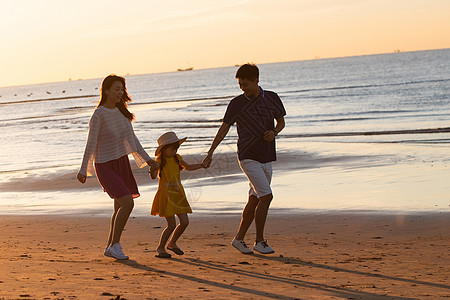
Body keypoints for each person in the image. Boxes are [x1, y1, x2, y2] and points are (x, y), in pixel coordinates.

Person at [202, 63, 286, 255]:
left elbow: (281, 122)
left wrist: (274, 132)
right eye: (240, 84)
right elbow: (223, 128)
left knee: (255, 199)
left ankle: (239, 239)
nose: (242, 88)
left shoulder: (272, 98)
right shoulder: (237, 103)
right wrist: (210, 152)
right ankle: (260, 241)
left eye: (245, 84)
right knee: (267, 196)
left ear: (257, 80)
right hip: (247, 156)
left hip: (267, 155)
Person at [77, 74, 159, 260]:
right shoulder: (99, 115)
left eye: (122, 89)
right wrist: (84, 170)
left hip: (121, 163)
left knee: (118, 208)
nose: (120, 92)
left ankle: (110, 246)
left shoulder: (123, 114)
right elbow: (91, 143)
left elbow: (133, 141)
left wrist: (148, 160)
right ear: (106, 90)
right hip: (105, 165)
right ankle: (115, 245)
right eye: (116, 89)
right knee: (128, 203)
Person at [150, 131, 206, 258]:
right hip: (166, 194)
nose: (174, 152)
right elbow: (153, 176)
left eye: (176, 149)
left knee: (185, 222)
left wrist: (201, 165)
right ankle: (160, 248)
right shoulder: (159, 161)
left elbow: (188, 167)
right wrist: (152, 169)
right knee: (171, 224)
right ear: (164, 149)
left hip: (178, 193)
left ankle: (172, 243)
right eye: (171, 149)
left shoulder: (177, 158)